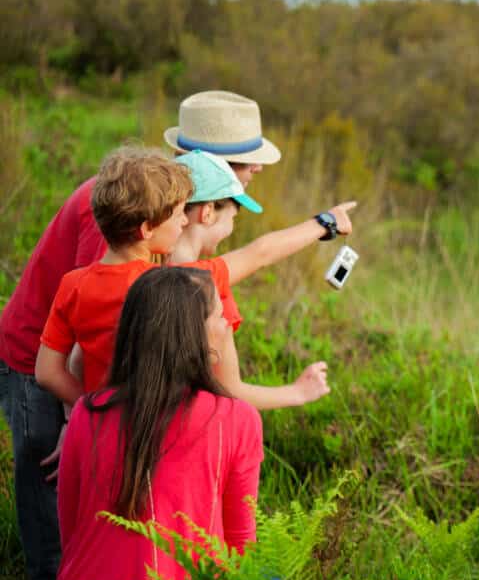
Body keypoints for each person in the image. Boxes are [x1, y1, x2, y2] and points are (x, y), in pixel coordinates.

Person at [0, 89, 283, 580]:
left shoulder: (141, 206)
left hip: (85, 380)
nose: (253, 173)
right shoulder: (123, 242)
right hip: (37, 360)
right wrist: (83, 417)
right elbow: (92, 346)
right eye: (244, 162)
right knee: (54, 509)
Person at [36, 146, 355, 409]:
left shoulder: (73, 285)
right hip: (162, 439)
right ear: (148, 228)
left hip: (99, 443)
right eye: (177, 216)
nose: (182, 224)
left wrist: (93, 409)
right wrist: (297, 393)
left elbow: (49, 372)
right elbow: (260, 252)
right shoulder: (184, 283)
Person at [54, 267, 263, 580]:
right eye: (220, 316)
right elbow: (240, 546)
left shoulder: (87, 413)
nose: (227, 325)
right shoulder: (237, 421)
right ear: (194, 333)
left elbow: (70, 528)